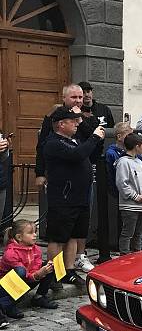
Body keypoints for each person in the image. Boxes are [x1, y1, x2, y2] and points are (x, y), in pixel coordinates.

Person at [35, 84, 101, 274]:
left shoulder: (83, 119)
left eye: (81, 97)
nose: (79, 101)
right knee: (60, 233)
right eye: (74, 98)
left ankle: (74, 263)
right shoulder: (55, 119)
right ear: (65, 98)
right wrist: (40, 172)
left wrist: (81, 120)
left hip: (81, 186)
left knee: (77, 230)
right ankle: (55, 272)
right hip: (64, 188)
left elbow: (91, 139)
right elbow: (43, 146)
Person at [0, 219, 58, 320]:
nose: (35, 235)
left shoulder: (36, 249)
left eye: (35, 232)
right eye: (30, 233)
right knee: (20, 271)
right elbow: (24, 274)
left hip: (26, 280)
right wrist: (37, 275)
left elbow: (35, 267)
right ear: (19, 237)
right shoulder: (11, 253)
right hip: (7, 287)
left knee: (50, 265)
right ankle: (8, 304)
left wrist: (41, 272)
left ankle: (39, 297)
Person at [115, 133, 142, 255]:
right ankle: (124, 256)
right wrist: (135, 196)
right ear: (136, 146)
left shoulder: (138, 161)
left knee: (138, 233)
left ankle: (137, 254)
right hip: (130, 205)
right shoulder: (123, 162)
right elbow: (121, 183)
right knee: (127, 233)